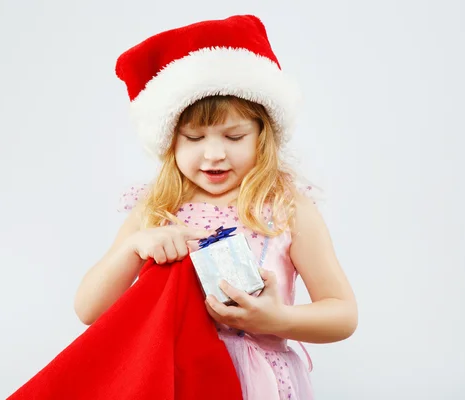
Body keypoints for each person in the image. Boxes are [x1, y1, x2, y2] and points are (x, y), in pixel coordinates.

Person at [73, 14, 357, 400]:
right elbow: (89, 309)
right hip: (178, 381)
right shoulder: (156, 209)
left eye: (234, 135)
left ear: (263, 134)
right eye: (193, 137)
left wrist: (279, 319)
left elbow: (343, 313)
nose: (214, 154)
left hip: (258, 386)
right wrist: (133, 247)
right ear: (170, 142)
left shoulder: (285, 208)